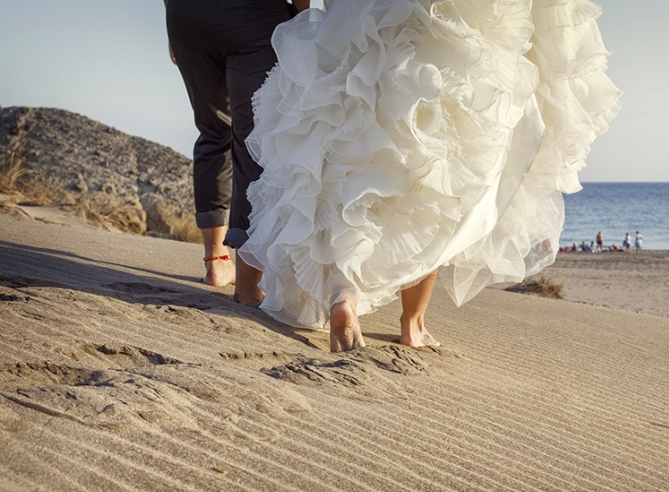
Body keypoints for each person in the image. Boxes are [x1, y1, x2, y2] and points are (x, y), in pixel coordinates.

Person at [239, 0, 621, 351]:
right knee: (438, 166)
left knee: (351, 141)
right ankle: (413, 323)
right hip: (461, 17)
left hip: (362, 12)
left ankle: (343, 294)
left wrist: (309, 14)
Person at [164, 0, 309, 304]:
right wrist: (302, 18)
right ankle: (246, 286)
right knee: (251, 141)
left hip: (187, 15)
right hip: (254, 17)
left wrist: (175, 18)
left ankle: (215, 262)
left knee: (212, 131)